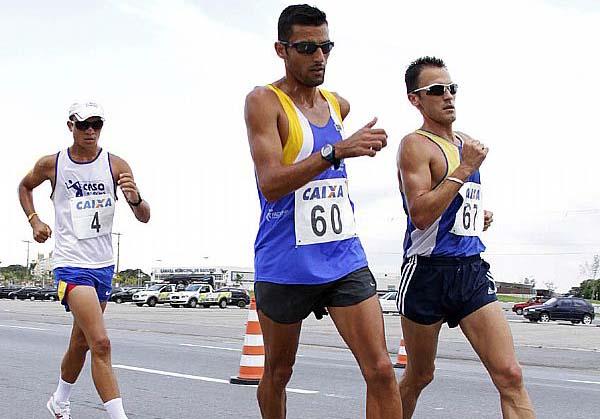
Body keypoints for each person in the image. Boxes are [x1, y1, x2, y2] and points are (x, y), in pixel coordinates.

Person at [245, 4, 403, 419]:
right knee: (279, 372)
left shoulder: (337, 104)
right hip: (286, 264)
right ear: (282, 49)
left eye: (326, 47)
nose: (319, 57)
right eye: (307, 47)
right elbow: (271, 184)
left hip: (342, 257)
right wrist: (337, 150)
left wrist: (347, 146)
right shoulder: (264, 102)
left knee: (382, 370)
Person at [396, 56, 535, 418]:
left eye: (451, 88)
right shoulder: (415, 145)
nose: (448, 96)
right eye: (436, 90)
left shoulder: (467, 143)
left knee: (510, 375)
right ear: (416, 99)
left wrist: (475, 217)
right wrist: (466, 167)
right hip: (427, 273)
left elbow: (454, 204)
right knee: (420, 375)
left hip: (470, 271)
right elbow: (422, 214)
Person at [18, 102, 150, 419]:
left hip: (103, 265)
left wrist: (135, 199)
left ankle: (59, 400)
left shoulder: (116, 165)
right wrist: (35, 220)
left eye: (97, 124)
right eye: (83, 125)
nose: (90, 131)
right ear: (71, 127)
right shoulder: (53, 164)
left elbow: (144, 217)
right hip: (70, 263)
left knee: (81, 342)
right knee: (101, 343)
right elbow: (24, 187)